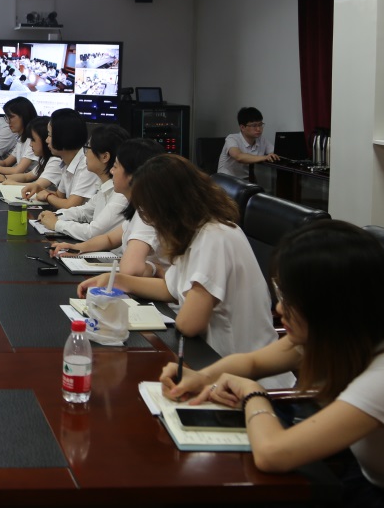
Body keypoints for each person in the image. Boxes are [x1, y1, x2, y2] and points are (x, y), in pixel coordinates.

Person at [161, 221, 384, 507]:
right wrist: (201, 377)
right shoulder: (346, 336)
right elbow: (251, 362)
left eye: (289, 299)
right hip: (372, 478)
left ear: (331, 306)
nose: (279, 309)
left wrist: (252, 394)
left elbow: (273, 454)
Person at [77, 154, 285, 378]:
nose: (149, 220)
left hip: (243, 376)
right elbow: (170, 288)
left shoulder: (215, 238)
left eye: (149, 211)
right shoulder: (196, 232)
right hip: (212, 364)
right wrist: (118, 280)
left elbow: (189, 323)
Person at [46, 137, 168, 279]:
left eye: (116, 166)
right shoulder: (140, 208)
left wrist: (154, 268)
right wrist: (77, 248)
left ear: (132, 175)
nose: (111, 171)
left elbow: (131, 269)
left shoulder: (147, 215)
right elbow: (109, 239)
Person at [36, 123, 128, 238]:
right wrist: (55, 215)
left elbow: (93, 232)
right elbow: (84, 212)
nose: (86, 154)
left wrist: (57, 224)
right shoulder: (104, 186)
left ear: (105, 157)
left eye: (88, 148)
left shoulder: (121, 194)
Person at [30, 109, 99, 210]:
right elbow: (59, 196)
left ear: (63, 136)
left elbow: (70, 205)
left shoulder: (86, 164)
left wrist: (47, 196)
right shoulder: (67, 162)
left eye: (49, 135)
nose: (46, 140)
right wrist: (39, 189)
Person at [0, 117, 62, 188]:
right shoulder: (44, 160)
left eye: (33, 140)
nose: (30, 144)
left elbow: (37, 186)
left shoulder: (55, 161)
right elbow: (27, 176)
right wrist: (3, 178)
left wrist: (13, 183)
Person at [217, 106, 278, 179]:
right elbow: (239, 157)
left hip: (247, 180)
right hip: (226, 179)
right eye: (254, 125)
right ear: (242, 127)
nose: (258, 129)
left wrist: (273, 155)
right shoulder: (232, 138)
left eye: (260, 125)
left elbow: (275, 153)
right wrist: (265, 157)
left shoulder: (262, 140)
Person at [0, 96, 37, 177]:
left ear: (24, 116)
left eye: (11, 117)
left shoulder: (32, 141)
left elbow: (18, 170)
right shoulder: (21, 139)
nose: (8, 122)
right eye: (7, 117)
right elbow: (6, 163)